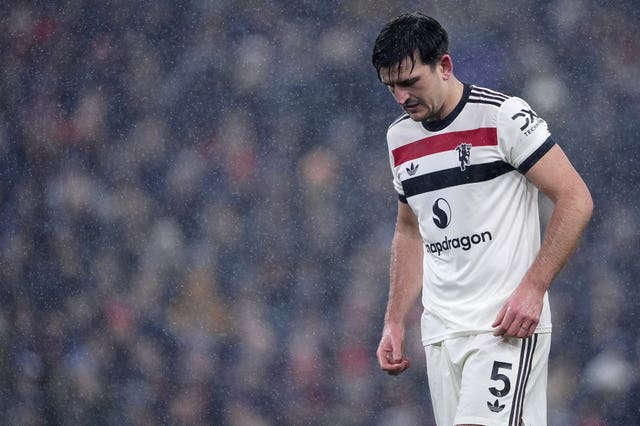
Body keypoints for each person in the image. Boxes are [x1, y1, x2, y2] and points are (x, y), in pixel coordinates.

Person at [371, 12, 593, 426]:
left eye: (410, 82)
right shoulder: (398, 138)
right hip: (441, 333)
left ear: (445, 66)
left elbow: (575, 198)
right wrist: (394, 320)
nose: (401, 97)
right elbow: (409, 229)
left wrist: (533, 288)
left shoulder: (502, 117)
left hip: (503, 327)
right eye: (392, 87)